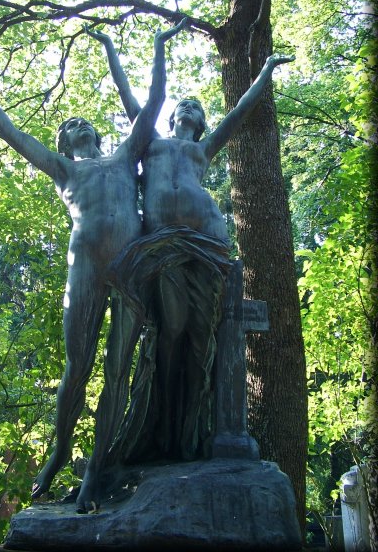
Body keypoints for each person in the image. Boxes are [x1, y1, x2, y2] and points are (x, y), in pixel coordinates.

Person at [0, 18, 187, 513]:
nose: (76, 124)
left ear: (95, 131)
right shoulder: (64, 169)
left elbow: (153, 103)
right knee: (78, 368)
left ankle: (95, 472)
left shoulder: (123, 157)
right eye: (66, 123)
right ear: (61, 140)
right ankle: (57, 452)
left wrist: (150, 46)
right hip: (86, 266)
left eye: (82, 121)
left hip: (133, 266)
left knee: (116, 371)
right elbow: (9, 132)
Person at [89, 27, 294, 462]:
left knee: (204, 338)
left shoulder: (203, 152)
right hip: (163, 244)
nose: (188, 107)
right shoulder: (152, 143)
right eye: (184, 104)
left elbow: (239, 113)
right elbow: (130, 94)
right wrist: (109, 48)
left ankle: (192, 431)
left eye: (195, 107)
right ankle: (161, 426)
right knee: (173, 328)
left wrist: (266, 72)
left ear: (200, 125)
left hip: (209, 243)